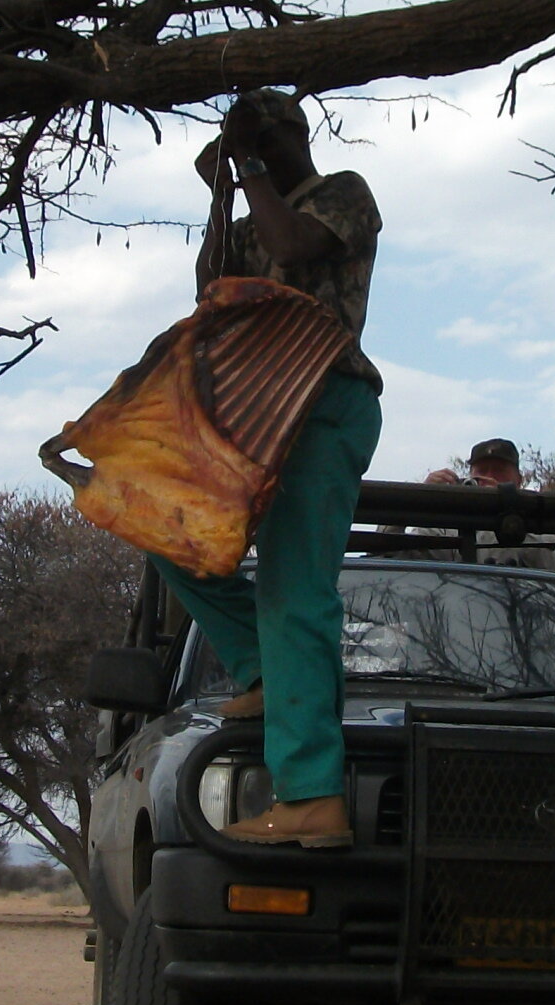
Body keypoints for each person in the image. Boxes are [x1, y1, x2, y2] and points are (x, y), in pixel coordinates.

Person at [150, 89, 383, 850]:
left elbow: (290, 247)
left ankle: (311, 794)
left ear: (290, 135)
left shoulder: (344, 193)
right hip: (255, 407)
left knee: (294, 590)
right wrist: (222, 195)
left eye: (255, 138)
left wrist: (249, 160)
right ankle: (258, 667)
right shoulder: (249, 216)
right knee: (165, 528)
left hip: (323, 400)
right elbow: (211, 287)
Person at [425, 438, 555, 569]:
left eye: (499, 471)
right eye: (482, 471)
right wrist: (425, 498)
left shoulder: (534, 526)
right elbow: (408, 559)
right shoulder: (448, 526)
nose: (489, 477)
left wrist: (511, 516)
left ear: (518, 480)